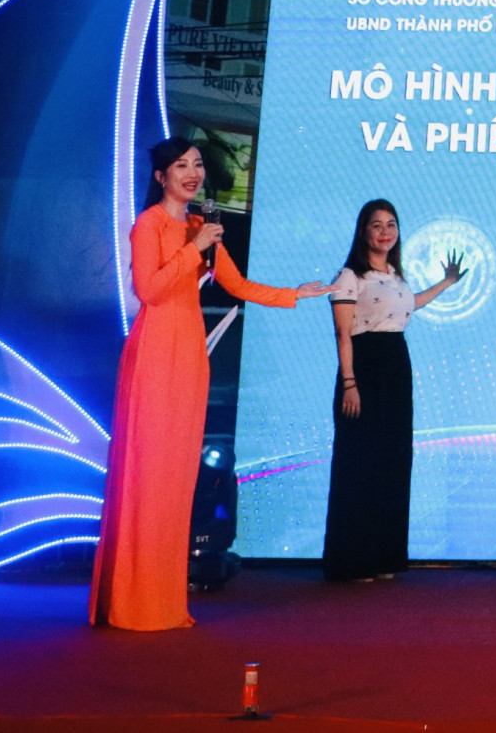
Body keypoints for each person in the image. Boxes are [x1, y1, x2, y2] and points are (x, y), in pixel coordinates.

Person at [90, 137, 328, 631]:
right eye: (182, 166)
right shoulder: (149, 224)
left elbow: (236, 286)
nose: (193, 173)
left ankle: (163, 601)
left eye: (198, 164)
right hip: (155, 351)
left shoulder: (201, 226)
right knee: (149, 477)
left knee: (178, 480)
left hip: (190, 356)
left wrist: (295, 294)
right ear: (161, 176)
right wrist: (191, 250)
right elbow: (149, 290)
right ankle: (133, 603)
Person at [322, 200, 464, 583]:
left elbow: (407, 307)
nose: (385, 232)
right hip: (364, 368)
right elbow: (343, 332)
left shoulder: (397, 275)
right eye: (377, 225)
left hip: (396, 367)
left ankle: (384, 555)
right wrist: (350, 382)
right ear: (363, 230)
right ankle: (353, 560)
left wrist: (446, 283)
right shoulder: (350, 275)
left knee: (393, 461)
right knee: (361, 464)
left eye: (391, 225)